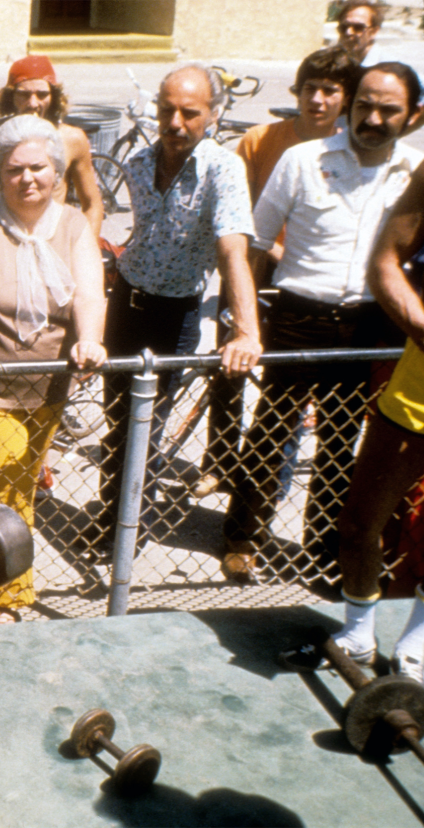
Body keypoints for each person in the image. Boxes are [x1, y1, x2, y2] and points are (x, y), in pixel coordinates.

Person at [219, 63, 423, 584]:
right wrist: (245, 323)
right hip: (298, 315)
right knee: (269, 433)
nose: (372, 118)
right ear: (349, 105)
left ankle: (323, 549)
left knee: (340, 442)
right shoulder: (302, 160)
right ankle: (242, 539)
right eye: (364, 106)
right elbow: (256, 241)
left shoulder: (415, 174)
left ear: (414, 116)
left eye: (388, 110)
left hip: (369, 323)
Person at [86, 63, 262, 554]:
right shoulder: (139, 163)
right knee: (117, 420)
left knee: (148, 424)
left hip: (176, 315)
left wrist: (246, 331)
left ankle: (127, 532)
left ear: (213, 114)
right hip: (127, 303)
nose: (176, 123)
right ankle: (110, 518)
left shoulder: (223, 169)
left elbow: (232, 252)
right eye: (167, 111)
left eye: (190, 112)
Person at [0, 115, 106, 624]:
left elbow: (89, 293)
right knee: (10, 477)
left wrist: (91, 340)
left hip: (48, 386)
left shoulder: (73, 225)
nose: (27, 178)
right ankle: (8, 596)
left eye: (38, 167)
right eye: (14, 169)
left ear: (57, 172)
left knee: (15, 483)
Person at [192, 45, 361, 500]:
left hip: (307, 284)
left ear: (346, 98)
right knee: (229, 367)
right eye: (311, 89)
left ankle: (268, 478)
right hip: (252, 270)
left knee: (285, 388)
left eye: (331, 90)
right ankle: (221, 461)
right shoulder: (261, 140)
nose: (319, 100)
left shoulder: (353, 149)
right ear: (298, 91)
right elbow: (235, 214)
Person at [278, 160, 424, 682]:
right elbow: (386, 263)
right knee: (360, 523)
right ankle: (358, 637)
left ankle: (416, 649)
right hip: (416, 390)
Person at [0, 56, 103, 238]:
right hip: (2, 236)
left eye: (42, 94)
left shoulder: (72, 138)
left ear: (54, 97)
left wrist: (88, 251)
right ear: (11, 96)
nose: (33, 103)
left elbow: (92, 204)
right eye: (24, 94)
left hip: (51, 240)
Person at [336, 1, 386, 66]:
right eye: (343, 27)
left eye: (358, 27)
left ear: (374, 31)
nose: (348, 32)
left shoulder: (387, 69)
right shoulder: (330, 63)